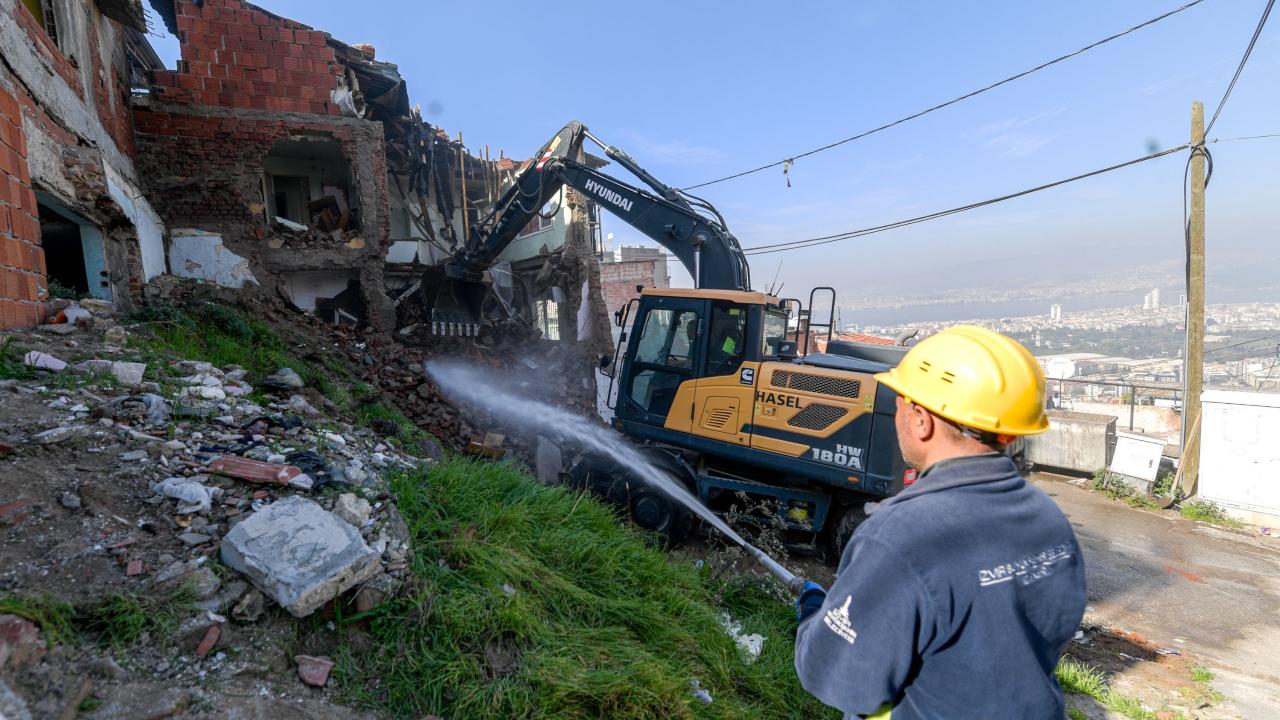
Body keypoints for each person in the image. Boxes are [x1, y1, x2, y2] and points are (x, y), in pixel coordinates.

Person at [793, 325, 1087, 719]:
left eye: (900, 397)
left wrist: (818, 614)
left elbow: (836, 678)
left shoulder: (899, 537)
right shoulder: (1048, 518)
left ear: (921, 420)